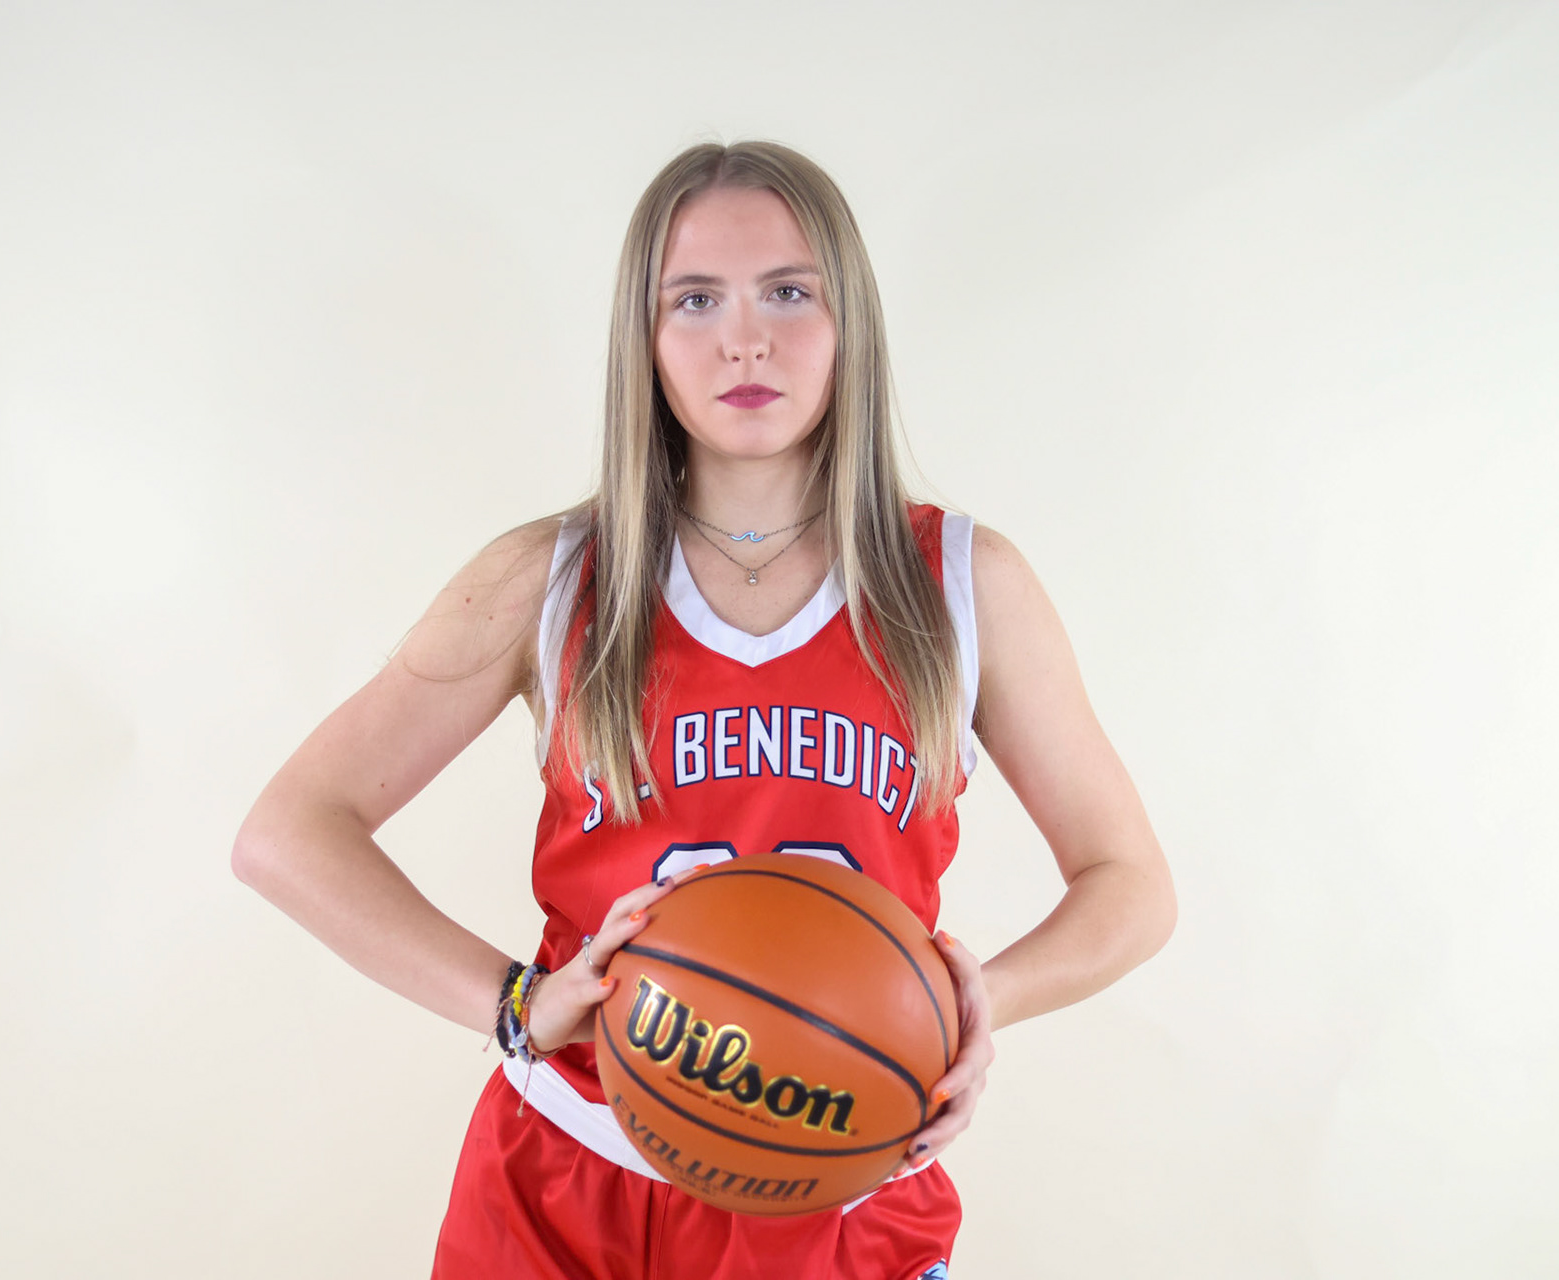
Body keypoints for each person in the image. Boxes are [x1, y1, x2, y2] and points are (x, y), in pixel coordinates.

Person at [232, 140, 1176, 1279]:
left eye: (789, 292)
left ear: (851, 323)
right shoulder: (550, 579)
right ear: (644, 337)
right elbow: (289, 831)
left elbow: (1132, 882)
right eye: (695, 299)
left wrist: (986, 1000)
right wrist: (517, 1003)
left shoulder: (964, 584)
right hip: (565, 1181)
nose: (745, 339)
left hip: (845, 1195)